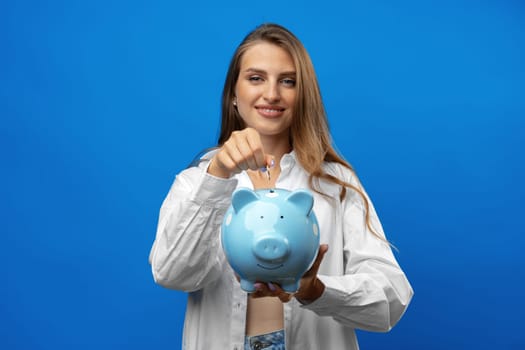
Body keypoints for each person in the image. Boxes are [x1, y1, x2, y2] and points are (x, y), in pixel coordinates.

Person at [149, 23, 413, 350]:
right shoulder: (197, 182)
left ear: (303, 95)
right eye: (256, 78)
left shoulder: (336, 184)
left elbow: (391, 301)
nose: (272, 94)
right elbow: (172, 274)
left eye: (288, 81)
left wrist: (316, 290)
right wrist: (216, 177)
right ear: (233, 93)